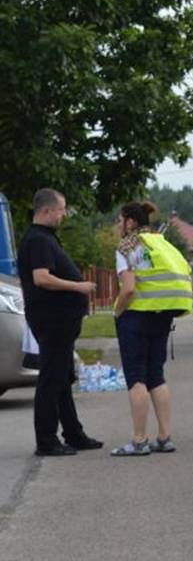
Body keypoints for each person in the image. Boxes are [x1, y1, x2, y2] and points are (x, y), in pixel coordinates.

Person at [16, 189, 102, 456]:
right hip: (52, 320)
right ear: (46, 210)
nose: (64, 215)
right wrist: (78, 286)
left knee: (63, 378)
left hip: (60, 320)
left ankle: (74, 433)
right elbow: (41, 278)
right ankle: (46, 440)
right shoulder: (38, 240)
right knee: (51, 379)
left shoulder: (45, 238)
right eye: (61, 210)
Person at [110, 201, 193, 456]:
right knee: (156, 375)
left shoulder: (127, 246)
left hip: (136, 316)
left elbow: (129, 289)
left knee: (136, 377)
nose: (117, 225)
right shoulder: (162, 243)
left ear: (131, 222)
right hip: (162, 315)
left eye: (119, 220)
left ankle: (139, 440)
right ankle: (165, 437)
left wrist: (116, 311)